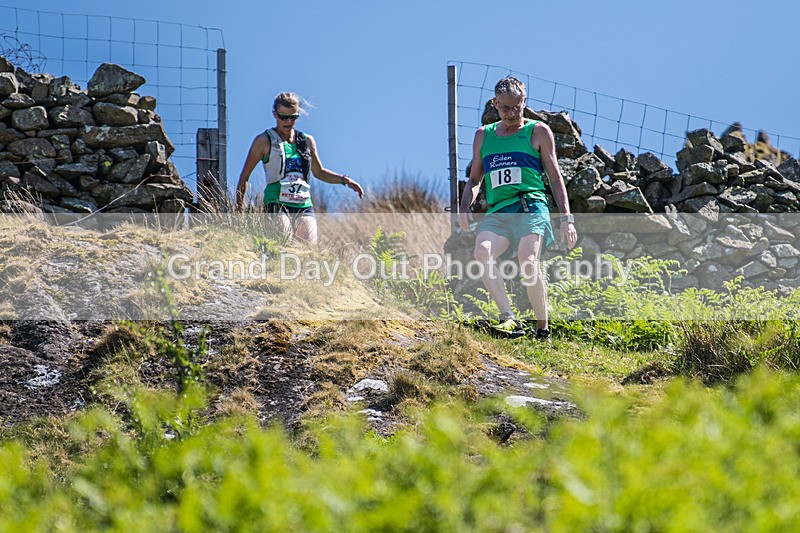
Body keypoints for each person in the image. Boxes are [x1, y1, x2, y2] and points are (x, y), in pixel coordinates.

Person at [458, 77, 578, 340]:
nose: (511, 114)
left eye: (517, 107)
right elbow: (475, 179)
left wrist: (567, 218)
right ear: (495, 104)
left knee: (527, 260)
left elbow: (556, 177)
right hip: (499, 211)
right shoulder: (483, 136)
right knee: (482, 251)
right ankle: (509, 319)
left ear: (525, 102)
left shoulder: (538, 132)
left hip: (531, 206)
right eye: (505, 108)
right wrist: (464, 205)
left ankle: (542, 328)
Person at [236, 92, 364, 244]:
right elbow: (244, 177)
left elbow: (319, 172)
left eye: (293, 117)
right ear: (275, 114)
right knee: (283, 243)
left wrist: (345, 180)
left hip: (303, 203)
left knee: (309, 249)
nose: (288, 121)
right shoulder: (263, 141)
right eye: (283, 116)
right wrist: (238, 211)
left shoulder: (307, 141)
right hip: (276, 202)